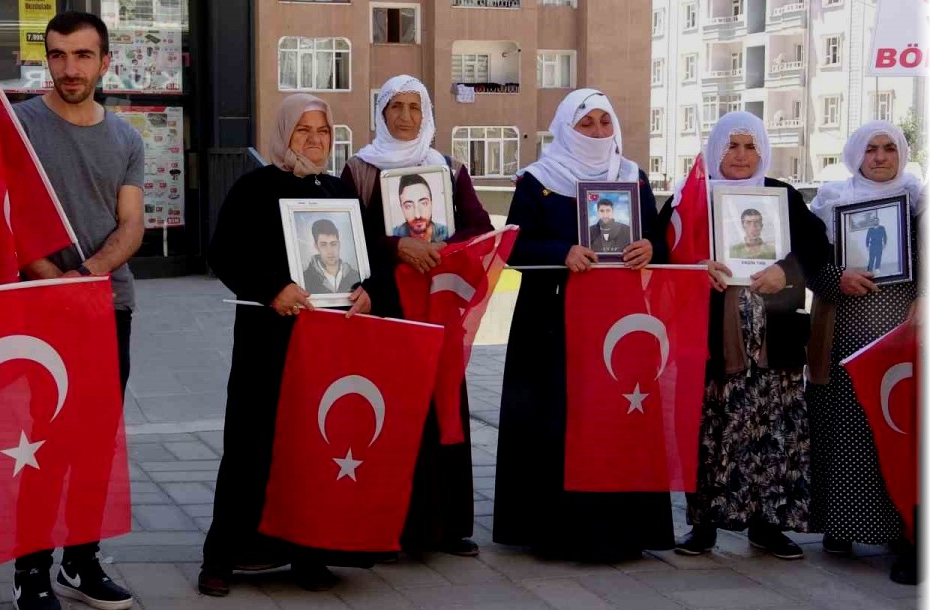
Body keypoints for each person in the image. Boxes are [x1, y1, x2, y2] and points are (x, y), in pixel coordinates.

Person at [200, 94, 379, 597]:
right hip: (268, 339)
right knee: (251, 443)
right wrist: (271, 288)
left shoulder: (342, 192)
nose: (315, 141)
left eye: (323, 131)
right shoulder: (253, 188)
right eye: (303, 131)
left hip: (326, 344)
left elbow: (368, 263)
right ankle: (223, 558)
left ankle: (307, 552)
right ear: (284, 134)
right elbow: (224, 254)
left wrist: (369, 290)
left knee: (313, 444)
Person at [492, 88, 673, 562]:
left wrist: (650, 248)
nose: (596, 132)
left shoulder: (632, 176)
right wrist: (560, 252)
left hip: (617, 321)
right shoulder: (538, 179)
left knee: (615, 420)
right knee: (559, 423)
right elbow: (513, 248)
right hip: (552, 325)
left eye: (603, 122)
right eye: (585, 123)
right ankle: (556, 532)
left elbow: (657, 239)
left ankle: (620, 531)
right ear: (566, 128)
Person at [11, 11, 141, 610]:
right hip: (39, 310)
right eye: (58, 55)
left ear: (104, 62)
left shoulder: (126, 138)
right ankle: (31, 570)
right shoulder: (19, 126)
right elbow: (1, 216)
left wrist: (89, 276)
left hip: (107, 308)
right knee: (42, 444)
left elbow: (132, 223)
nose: (70, 68)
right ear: (47, 58)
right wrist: (50, 279)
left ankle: (81, 560)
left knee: (95, 444)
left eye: (83, 55)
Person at [664, 111, 831, 560]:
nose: (741, 156)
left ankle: (768, 525)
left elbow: (818, 248)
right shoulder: (690, 198)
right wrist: (697, 268)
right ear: (716, 148)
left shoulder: (781, 196)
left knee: (774, 431)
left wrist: (785, 269)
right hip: (711, 340)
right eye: (731, 146)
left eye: (750, 146)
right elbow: (662, 253)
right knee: (710, 430)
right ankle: (703, 525)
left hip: (773, 340)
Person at [340, 74, 492, 557]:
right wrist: (397, 247)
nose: (405, 117)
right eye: (395, 107)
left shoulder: (448, 168)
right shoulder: (360, 169)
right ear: (381, 114)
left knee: (440, 407)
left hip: (437, 307)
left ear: (426, 113)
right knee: (392, 409)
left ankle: (444, 527)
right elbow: (349, 233)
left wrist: (444, 248)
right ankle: (389, 525)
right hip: (387, 306)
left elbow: (479, 228)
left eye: (414, 107)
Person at [806, 121, 924, 584]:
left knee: (894, 429)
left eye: (888, 149)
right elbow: (807, 262)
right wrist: (838, 279)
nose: (879, 157)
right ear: (856, 155)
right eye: (870, 149)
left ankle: (899, 526)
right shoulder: (831, 202)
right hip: (843, 331)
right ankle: (840, 524)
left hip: (900, 338)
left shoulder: (918, 203)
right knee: (844, 426)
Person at [303, 218, 362, 294]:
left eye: (333, 244)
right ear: (316, 246)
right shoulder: (305, 278)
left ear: (339, 244)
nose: (330, 251)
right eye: (323, 245)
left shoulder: (355, 276)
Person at [393, 173, 450, 242]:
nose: (417, 215)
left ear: (431, 203)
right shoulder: (393, 236)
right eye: (408, 206)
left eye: (424, 203)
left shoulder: (448, 234)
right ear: (401, 208)